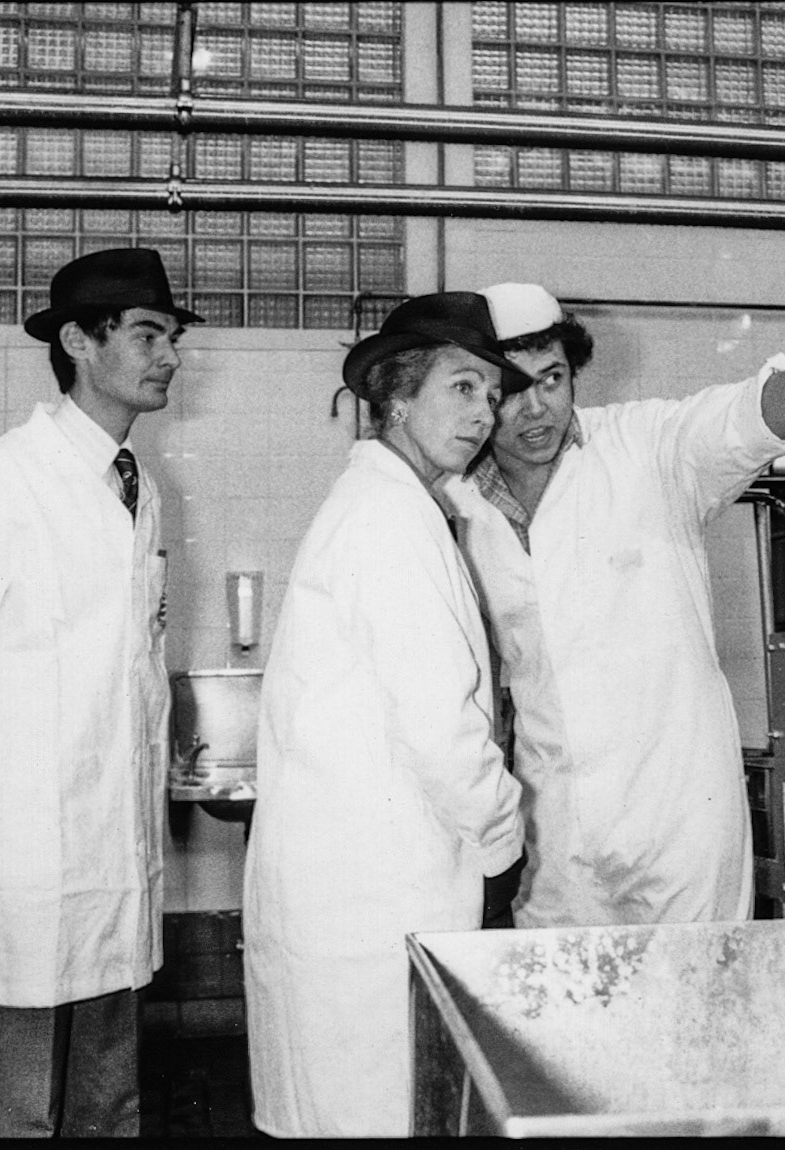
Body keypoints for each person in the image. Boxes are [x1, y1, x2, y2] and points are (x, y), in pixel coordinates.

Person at [443, 279, 785, 928]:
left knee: (699, 1001)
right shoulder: (460, 505)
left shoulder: (647, 449)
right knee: (568, 1014)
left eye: (553, 378)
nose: (536, 408)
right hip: (553, 828)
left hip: (680, 814)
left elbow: (747, 419)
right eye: (511, 388)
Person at [0, 247, 196, 1137]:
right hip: (22, 850)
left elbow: (131, 661)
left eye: (171, 336)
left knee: (110, 1099)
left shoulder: (143, 488)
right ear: (78, 343)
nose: (168, 354)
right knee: (18, 1108)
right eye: (146, 334)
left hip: (113, 841)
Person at [242, 293, 529, 1138]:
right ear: (397, 399)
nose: (482, 414)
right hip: (370, 900)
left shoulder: (394, 508)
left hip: (357, 895)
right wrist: (503, 839)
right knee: (374, 1112)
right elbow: (442, 727)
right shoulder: (388, 520)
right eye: (461, 388)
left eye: (489, 393)